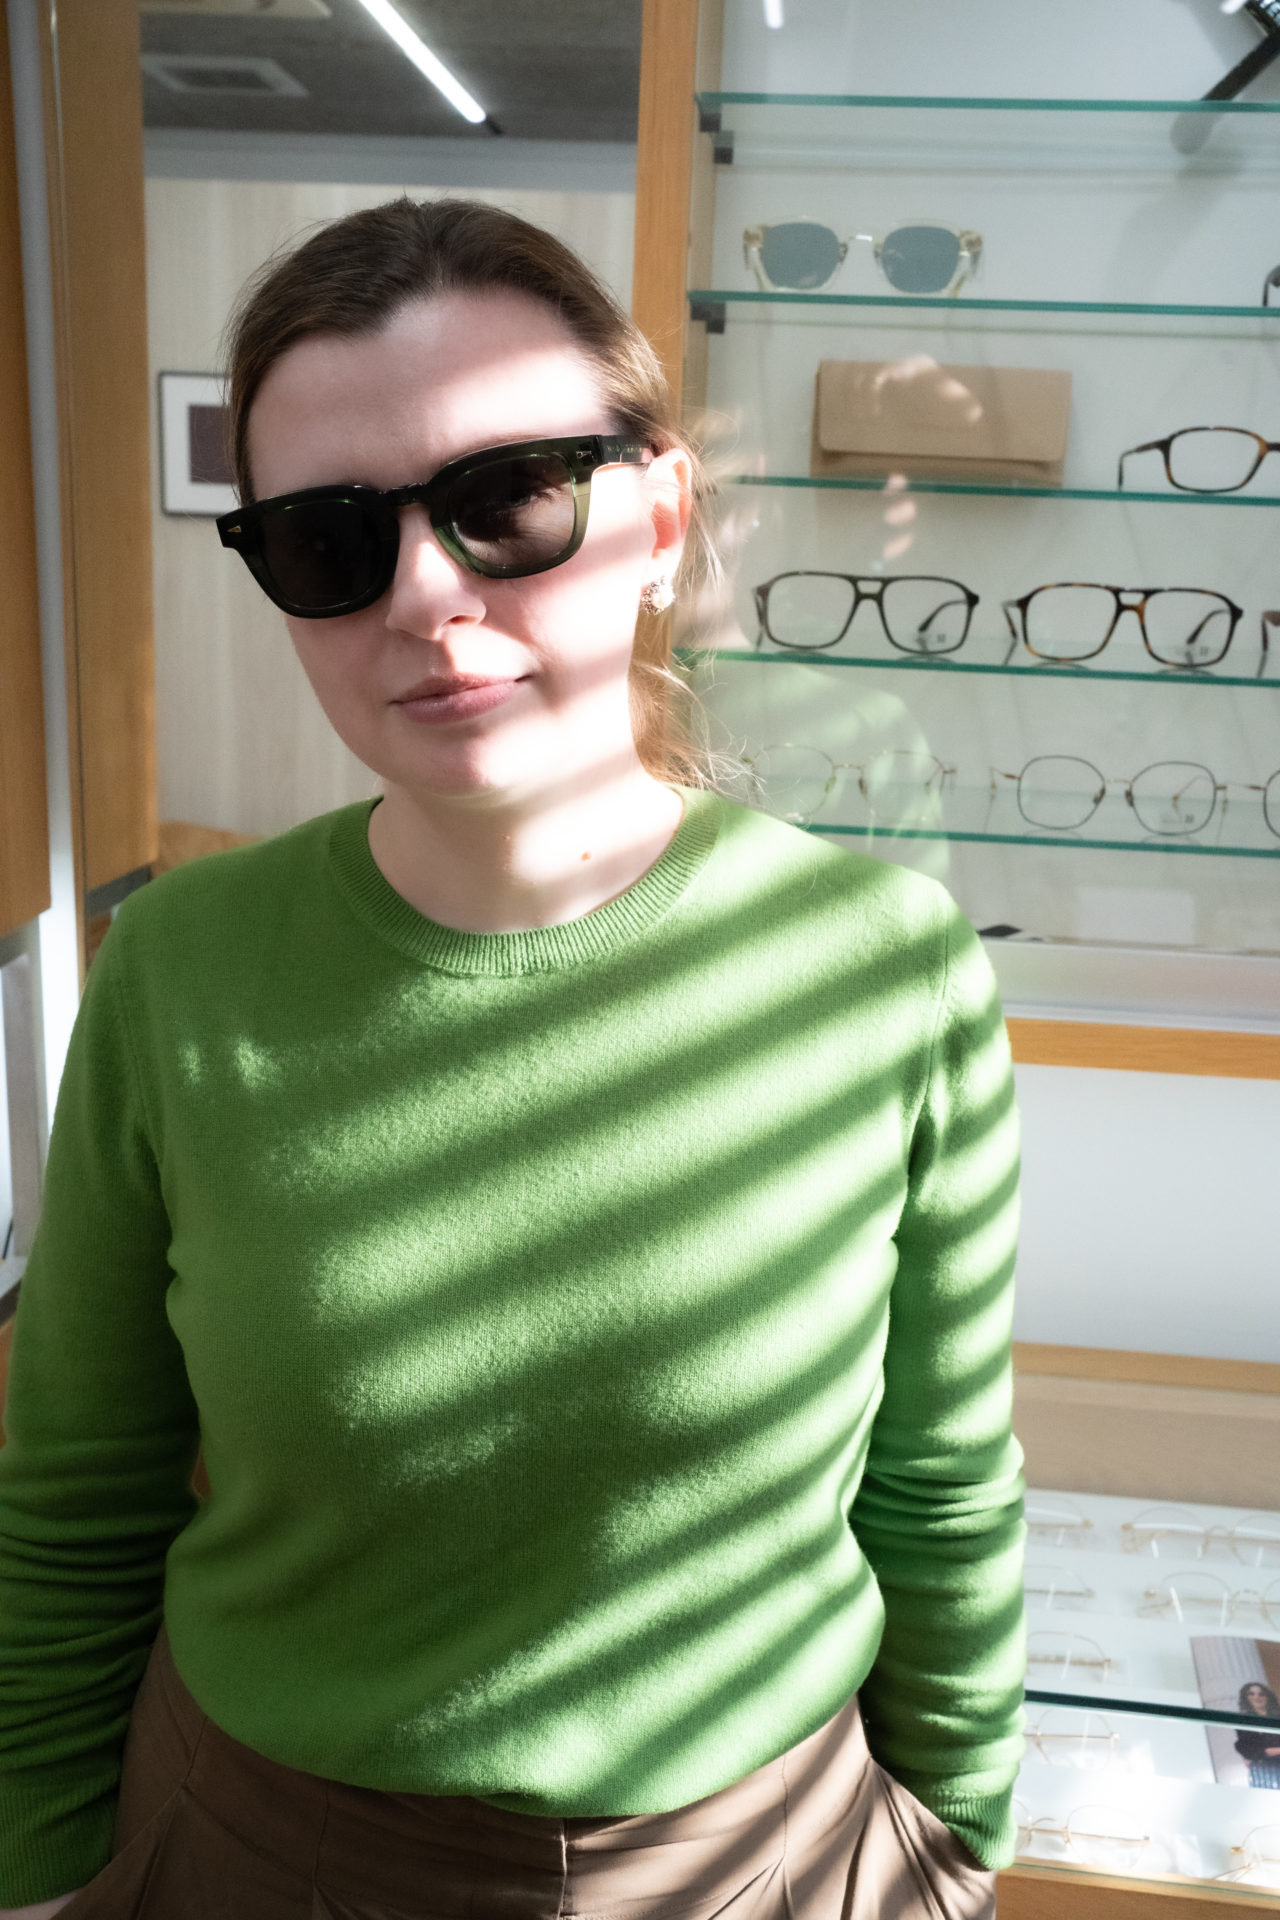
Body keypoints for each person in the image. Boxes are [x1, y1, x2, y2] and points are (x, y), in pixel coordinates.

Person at [0, 197, 1025, 1919]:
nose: (424, 594)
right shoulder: (182, 969)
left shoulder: (886, 971)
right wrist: (34, 1872)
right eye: (327, 540)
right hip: (250, 1849)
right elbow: (76, 1494)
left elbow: (939, 1486)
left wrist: (960, 1843)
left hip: (765, 1857)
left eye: (508, 501)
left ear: (660, 516)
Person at [1235, 1682, 1280, 1789]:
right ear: (1246, 1698)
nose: (1257, 1697)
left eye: (1261, 1694)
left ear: (1268, 1697)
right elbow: (1251, 1751)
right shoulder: (1244, 1721)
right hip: (1264, 1772)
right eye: (1251, 1694)